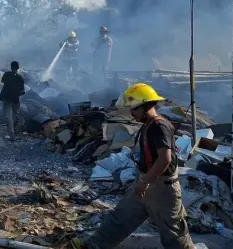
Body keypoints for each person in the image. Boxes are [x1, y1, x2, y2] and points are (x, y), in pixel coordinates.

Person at [74, 83, 194, 249]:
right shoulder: (149, 124)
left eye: (134, 109)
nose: (131, 113)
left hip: (163, 189)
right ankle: (94, 245)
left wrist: (145, 182)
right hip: (146, 180)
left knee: (174, 235)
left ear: (147, 106)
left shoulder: (159, 127)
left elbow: (165, 159)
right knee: (121, 217)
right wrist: (142, 180)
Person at [0, 61, 25, 140]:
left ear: (11, 67)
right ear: (18, 68)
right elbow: (22, 92)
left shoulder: (6, 74)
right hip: (15, 99)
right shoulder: (20, 78)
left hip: (6, 98)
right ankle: (17, 128)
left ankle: (11, 133)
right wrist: (16, 94)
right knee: (15, 113)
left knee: (8, 115)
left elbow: (2, 81)